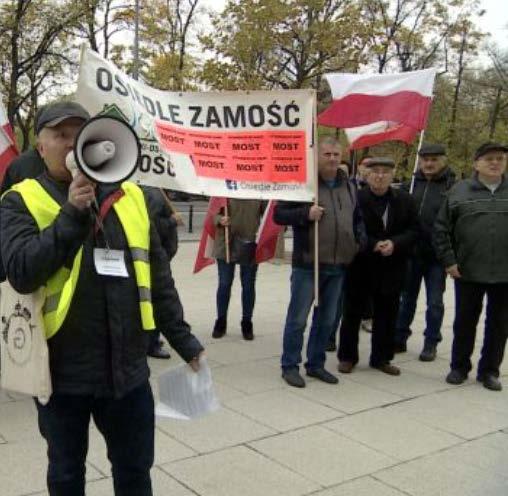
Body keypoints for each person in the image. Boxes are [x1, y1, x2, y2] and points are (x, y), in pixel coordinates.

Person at [0, 101, 204, 495]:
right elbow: (22, 272)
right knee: (65, 473)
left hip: (127, 374)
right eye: (60, 135)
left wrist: (186, 343)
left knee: (134, 474)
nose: (72, 143)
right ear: (40, 147)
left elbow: (157, 281)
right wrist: (73, 214)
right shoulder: (19, 201)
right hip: (62, 375)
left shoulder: (132, 200)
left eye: (81, 134)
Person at [274, 137, 365, 388]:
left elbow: (357, 219)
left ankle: (315, 364)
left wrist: (359, 242)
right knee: (298, 319)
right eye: (327, 154)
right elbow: (279, 214)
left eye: (336, 154)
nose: (333, 159)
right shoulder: (304, 185)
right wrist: (305, 214)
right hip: (308, 264)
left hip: (338, 265)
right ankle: (289, 365)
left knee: (326, 320)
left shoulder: (349, 186)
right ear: (317, 156)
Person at [434, 142, 508, 391]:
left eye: (500, 158)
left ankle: (489, 371)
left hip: (504, 273)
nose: (495, 163)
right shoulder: (459, 191)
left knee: (499, 325)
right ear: (476, 163)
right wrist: (449, 261)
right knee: (465, 321)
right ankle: (459, 367)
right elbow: (441, 229)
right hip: (467, 270)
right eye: (489, 159)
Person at [338, 158, 419, 376]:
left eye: (385, 171)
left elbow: (414, 230)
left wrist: (395, 243)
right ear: (366, 174)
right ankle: (347, 357)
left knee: (387, 313)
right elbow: (350, 228)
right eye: (375, 172)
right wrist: (373, 244)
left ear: (393, 175)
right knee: (352, 313)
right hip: (361, 263)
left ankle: (382, 358)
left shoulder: (405, 200)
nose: (380, 176)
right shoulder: (356, 198)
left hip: (393, 265)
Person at [394, 144, 455, 361]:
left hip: (436, 257)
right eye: (425, 159)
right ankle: (399, 337)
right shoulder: (410, 185)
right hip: (411, 253)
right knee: (406, 299)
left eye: (434, 159)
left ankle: (431, 342)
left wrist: (451, 257)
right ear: (419, 161)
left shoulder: (452, 187)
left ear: (443, 161)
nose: (429, 164)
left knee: (435, 302)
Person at [211, 199, 264, 340]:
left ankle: (247, 322)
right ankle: (220, 321)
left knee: (248, 285)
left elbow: (268, 213)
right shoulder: (224, 186)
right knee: (224, 283)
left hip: (250, 243)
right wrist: (219, 219)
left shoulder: (258, 189)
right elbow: (212, 212)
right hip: (226, 242)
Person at [143, 187, 180, 359]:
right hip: (157, 257)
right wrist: (172, 221)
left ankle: (151, 339)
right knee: (156, 299)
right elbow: (152, 225)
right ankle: (152, 343)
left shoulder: (158, 193)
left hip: (160, 255)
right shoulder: (155, 194)